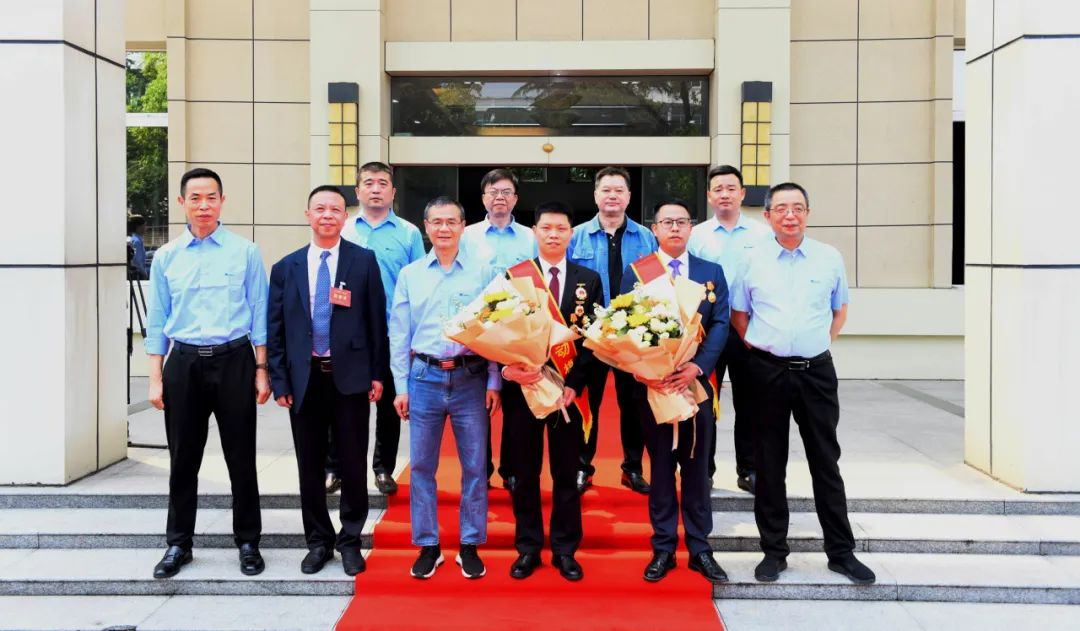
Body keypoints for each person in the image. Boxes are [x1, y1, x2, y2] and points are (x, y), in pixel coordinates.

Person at [731, 182, 876, 585]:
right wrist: (767, 348)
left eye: (797, 207)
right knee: (768, 463)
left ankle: (841, 552)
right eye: (781, 208)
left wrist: (814, 344)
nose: (789, 215)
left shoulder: (829, 257)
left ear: (808, 213)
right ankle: (773, 551)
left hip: (816, 373)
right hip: (767, 371)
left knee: (825, 461)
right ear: (767, 216)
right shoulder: (751, 259)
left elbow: (839, 310)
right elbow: (740, 315)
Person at [144, 167, 269, 579]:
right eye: (195, 198)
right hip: (184, 363)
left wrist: (262, 369)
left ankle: (248, 541)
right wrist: (155, 377)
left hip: (235, 359)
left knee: (240, 456)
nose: (203, 205)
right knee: (183, 458)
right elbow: (158, 320)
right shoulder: (167, 257)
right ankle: (179, 543)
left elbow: (259, 313)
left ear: (222, 201)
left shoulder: (245, 251)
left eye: (211, 197)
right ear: (182, 202)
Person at [266, 185, 388, 576]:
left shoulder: (363, 261)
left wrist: (377, 373)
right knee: (310, 465)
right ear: (308, 215)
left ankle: (350, 540)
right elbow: (276, 329)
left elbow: (376, 322)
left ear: (344, 216)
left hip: (350, 378)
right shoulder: (286, 267)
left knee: (352, 463)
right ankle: (318, 541)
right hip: (305, 380)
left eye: (335, 209)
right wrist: (280, 381)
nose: (327, 215)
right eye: (319, 209)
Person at [389, 196, 501, 580]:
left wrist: (494, 379)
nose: (444, 229)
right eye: (436, 222)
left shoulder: (483, 273)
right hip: (424, 378)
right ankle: (428, 545)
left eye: (451, 221)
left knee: (474, 466)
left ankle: (469, 544)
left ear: (463, 226)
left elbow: (494, 330)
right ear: (426, 227)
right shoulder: (411, 275)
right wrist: (400, 386)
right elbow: (399, 333)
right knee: (422, 465)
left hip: (471, 378)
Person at [624, 200, 730, 585]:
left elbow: (720, 325)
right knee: (662, 470)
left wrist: (696, 366)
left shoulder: (710, 272)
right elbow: (624, 327)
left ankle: (700, 548)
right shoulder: (637, 272)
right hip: (655, 388)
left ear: (691, 228)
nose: (674, 228)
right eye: (667, 222)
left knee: (697, 470)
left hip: (696, 385)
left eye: (681, 222)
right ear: (654, 229)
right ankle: (664, 547)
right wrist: (647, 370)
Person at [500, 201, 603, 582]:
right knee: (525, 473)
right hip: (525, 390)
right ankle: (528, 547)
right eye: (546, 228)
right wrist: (510, 369)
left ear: (571, 233)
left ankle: (564, 549)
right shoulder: (515, 277)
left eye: (561, 228)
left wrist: (574, 385)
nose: (554, 234)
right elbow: (498, 330)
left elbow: (594, 339)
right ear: (535, 232)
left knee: (566, 472)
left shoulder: (588, 279)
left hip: (567, 395)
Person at [338, 161, 426, 496]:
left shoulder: (409, 233)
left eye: (382, 183)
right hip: (349, 334)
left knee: (389, 404)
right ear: (358, 190)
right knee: (344, 402)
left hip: (393, 333)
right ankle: (337, 467)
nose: (376, 189)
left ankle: (383, 468)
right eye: (369, 183)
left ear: (393, 191)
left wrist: (416, 335)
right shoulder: (344, 229)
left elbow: (420, 283)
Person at [568, 166, 657, 494]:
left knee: (633, 405)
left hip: (630, 338)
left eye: (619, 190)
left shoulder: (646, 238)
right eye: (606, 190)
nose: (612, 196)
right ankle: (582, 466)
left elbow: (655, 286)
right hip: (589, 337)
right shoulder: (576, 236)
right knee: (586, 402)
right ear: (595, 195)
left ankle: (632, 467)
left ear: (629, 197)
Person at [687, 165, 771, 493]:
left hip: (748, 329)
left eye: (731, 188)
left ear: (742, 193)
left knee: (750, 403)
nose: (725, 194)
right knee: (704, 401)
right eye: (718, 189)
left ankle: (748, 469)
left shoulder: (762, 234)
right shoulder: (697, 235)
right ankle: (703, 470)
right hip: (707, 331)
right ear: (709, 196)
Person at [461, 168, 538, 490]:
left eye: (506, 192)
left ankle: (511, 469)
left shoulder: (530, 237)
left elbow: (538, 280)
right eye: (493, 192)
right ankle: (482, 469)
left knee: (516, 403)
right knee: (479, 403)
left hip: (518, 330)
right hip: (479, 330)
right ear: (483, 198)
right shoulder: (468, 236)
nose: (499, 198)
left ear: (515, 199)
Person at [127, 214, 149, 280]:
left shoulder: (134, 239)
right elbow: (137, 262)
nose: (146, 228)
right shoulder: (137, 242)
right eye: (144, 225)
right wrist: (144, 274)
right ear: (138, 227)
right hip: (138, 275)